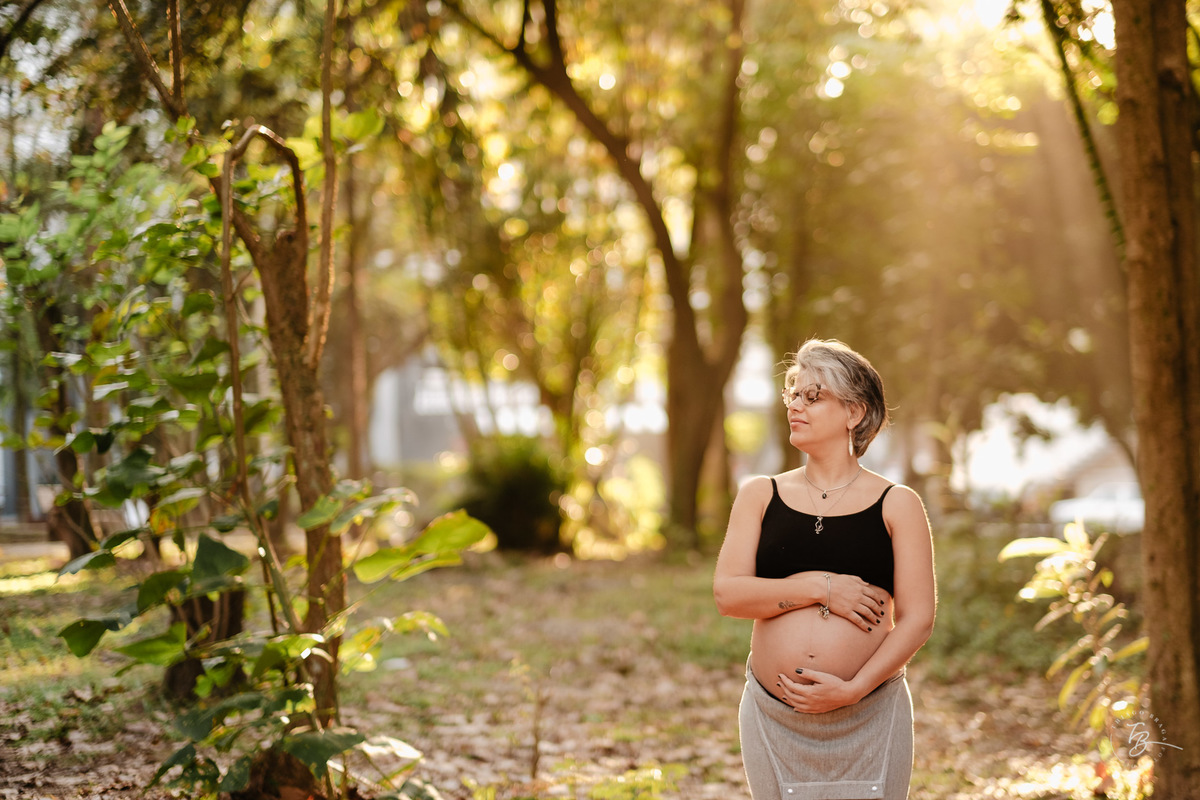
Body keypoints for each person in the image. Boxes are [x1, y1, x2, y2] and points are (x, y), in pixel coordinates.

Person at [713, 338, 936, 800]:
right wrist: (819, 586)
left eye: (813, 396)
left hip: (870, 712)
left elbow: (918, 619)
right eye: (793, 394)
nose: (796, 405)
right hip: (774, 716)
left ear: (854, 413)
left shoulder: (898, 503)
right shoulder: (759, 494)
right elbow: (728, 595)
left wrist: (853, 689)